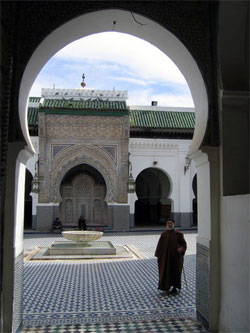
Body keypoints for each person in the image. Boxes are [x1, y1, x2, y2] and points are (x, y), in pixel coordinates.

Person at [155, 218, 187, 295]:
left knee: (175, 272)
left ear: (173, 224)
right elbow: (159, 245)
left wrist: (181, 249)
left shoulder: (179, 234)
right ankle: (166, 288)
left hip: (175, 258)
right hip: (165, 258)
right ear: (166, 224)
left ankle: (175, 288)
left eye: (171, 223)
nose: (170, 225)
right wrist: (158, 255)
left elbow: (183, 244)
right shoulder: (163, 234)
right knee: (165, 272)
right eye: (168, 223)